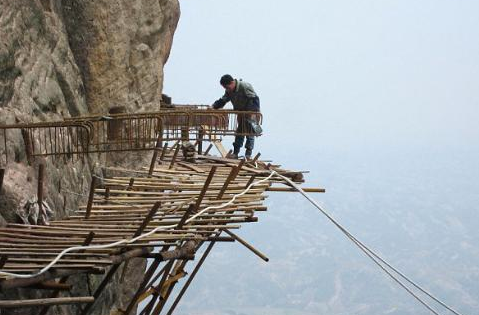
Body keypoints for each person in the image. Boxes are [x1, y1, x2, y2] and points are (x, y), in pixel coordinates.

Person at [211, 74, 260, 159]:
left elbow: (255, 99)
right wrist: (214, 106)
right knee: (239, 133)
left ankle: (248, 154)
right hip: (241, 114)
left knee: (250, 133)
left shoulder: (244, 86)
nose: (227, 89)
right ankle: (235, 153)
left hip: (251, 113)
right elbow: (223, 100)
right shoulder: (229, 91)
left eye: (227, 87)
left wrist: (252, 114)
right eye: (225, 88)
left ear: (232, 82)